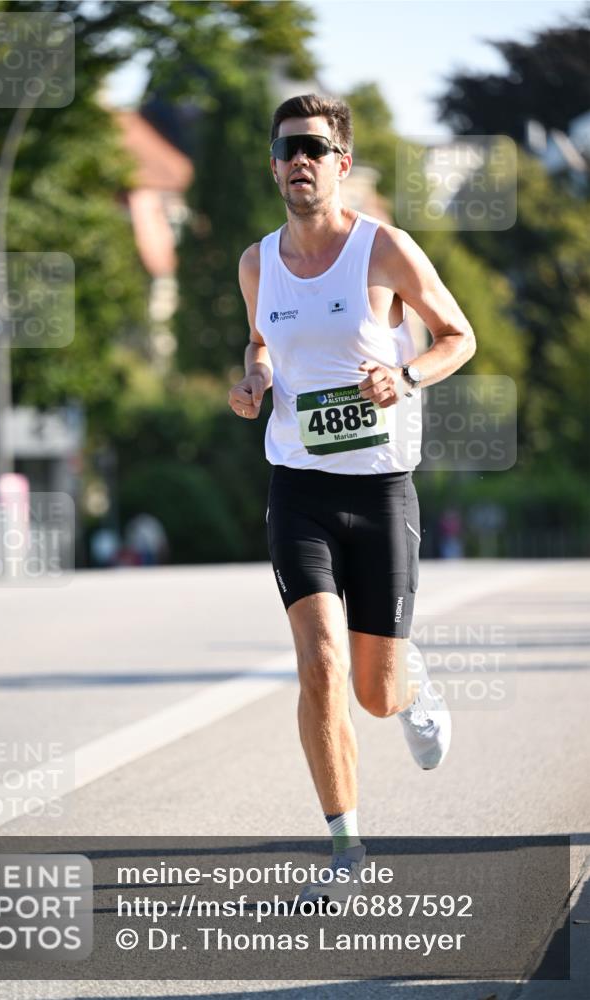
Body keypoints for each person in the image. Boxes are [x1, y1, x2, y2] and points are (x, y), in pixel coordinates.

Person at [228, 94, 476, 902]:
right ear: (273, 166)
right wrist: (257, 378)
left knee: (374, 692)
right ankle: (346, 852)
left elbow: (457, 337)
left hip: (379, 490)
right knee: (320, 665)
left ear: (341, 163)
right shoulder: (256, 262)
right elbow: (264, 341)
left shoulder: (383, 249)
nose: (298, 159)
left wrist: (402, 376)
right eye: (285, 148)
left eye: (313, 147)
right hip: (296, 487)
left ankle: (412, 680)